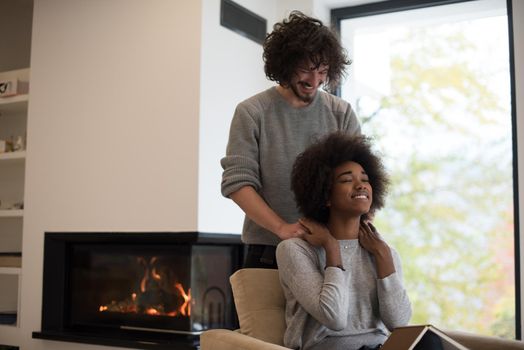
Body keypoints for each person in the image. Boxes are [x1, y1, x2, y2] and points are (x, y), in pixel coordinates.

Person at [221, 11, 361, 268]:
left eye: (322, 71)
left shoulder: (341, 113)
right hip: (267, 251)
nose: (314, 80)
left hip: (329, 250)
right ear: (285, 62)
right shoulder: (252, 112)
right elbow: (237, 182)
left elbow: (360, 181)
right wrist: (281, 228)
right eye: (307, 69)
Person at [276, 132, 412, 350]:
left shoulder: (384, 252)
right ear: (325, 196)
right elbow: (334, 318)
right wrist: (331, 247)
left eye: (365, 180)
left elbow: (398, 323)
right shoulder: (295, 250)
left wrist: (382, 255)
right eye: (347, 180)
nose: (360, 186)